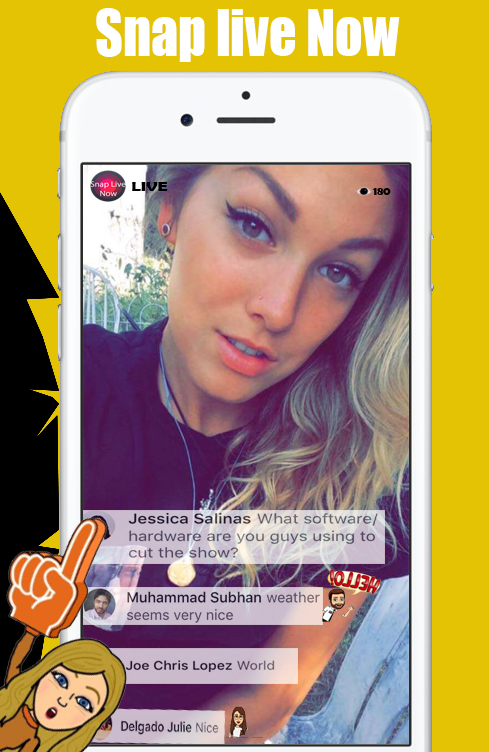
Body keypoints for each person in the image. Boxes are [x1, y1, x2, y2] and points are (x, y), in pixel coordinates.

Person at [83, 164, 409, 743]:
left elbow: (271, 696)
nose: (279, 309)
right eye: (254, 225)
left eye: (339, 271)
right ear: (170, 209)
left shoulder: (366, 485)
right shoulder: (75, 392)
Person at [0, 632, 125, 752]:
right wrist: (31, 633)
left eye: (83, 702)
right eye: (61, 680)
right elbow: (15, 664)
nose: (63, 701)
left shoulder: (34, 742)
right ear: (45, 670)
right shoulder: (13, 700)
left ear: (95, 717)